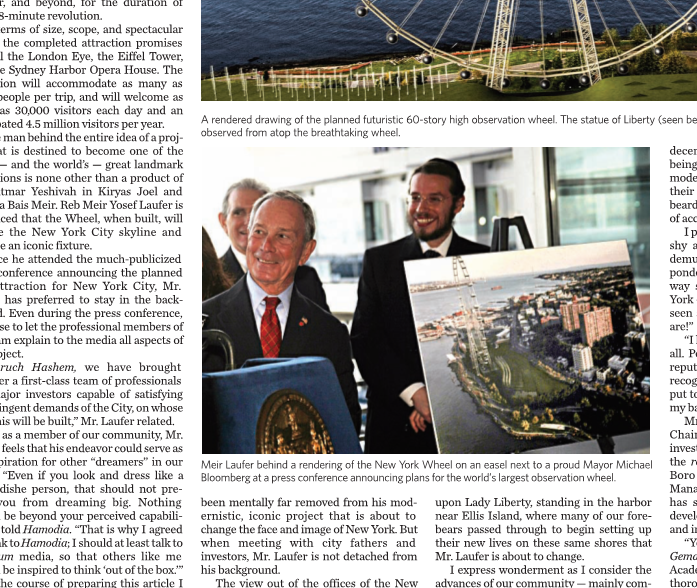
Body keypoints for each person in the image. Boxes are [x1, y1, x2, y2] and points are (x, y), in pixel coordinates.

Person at [352, 158, 487, 454]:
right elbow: (365, 341)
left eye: (434, 199)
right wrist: (416, 395)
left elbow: (484, 341)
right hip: (394, 432)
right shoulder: (378, 262)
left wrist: (440, 398)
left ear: (459, 203)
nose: (420, 208)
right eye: (415, 197)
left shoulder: (485, 260)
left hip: (470, 427)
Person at [203, 191, 360, 432]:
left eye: (282, 236)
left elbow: (345, 424)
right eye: (259, 232)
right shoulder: (204, 325)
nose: (266, 247)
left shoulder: (330, 333)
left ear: (306, 251)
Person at [217, 177, 329, 309]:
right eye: (238, 212)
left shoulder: (306, 279)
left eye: (255, 212)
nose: (248, 221)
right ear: (223, 222)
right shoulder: (207, 276)